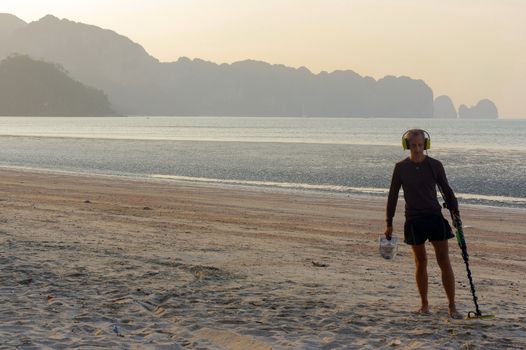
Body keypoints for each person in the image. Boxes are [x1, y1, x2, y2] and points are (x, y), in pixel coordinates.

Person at [384, 129, 462, 318]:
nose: (417, 150)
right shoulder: (400, 167)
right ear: (407, 146)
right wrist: (389, 222)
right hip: (414, 220)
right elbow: (392, 196)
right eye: (413, 146)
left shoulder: (435, 165)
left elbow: (447, 191)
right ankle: (424, 305)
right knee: (421, 262)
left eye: (420, 145)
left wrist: (455, 214)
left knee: (444, 261)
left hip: (434, 218)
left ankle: (452, 306)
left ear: (426, 145)